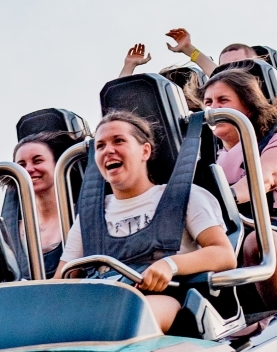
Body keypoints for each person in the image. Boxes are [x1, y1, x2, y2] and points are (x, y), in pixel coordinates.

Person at [56, 112, 236, 331]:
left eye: (118, 141)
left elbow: (223, 254)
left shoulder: (183, 196)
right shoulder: (89, 215)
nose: (108, 150)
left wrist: (170, 265)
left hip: (171, 298)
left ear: (145, 151)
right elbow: (62, 281)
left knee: (131, 317)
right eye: (100, 146)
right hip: (106, 304)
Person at [203, 68, 277, 308]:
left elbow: (265, 178)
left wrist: (223, 198)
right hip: (228, 247)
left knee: (258, 241)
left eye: (223, 100)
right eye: (208, 102)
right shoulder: (209, 157)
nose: (213, 109)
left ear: (248, 107)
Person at [14, 135, 73, 277]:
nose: (28, 169)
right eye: (21, 165)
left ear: (57, 164)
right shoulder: (10, 231)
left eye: (37, 161)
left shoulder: (81, 216)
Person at [119, 28, 215, 78]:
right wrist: (129, 66)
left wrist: (189, 49)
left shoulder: (214, 108)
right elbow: (119, 101)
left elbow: (221, 79)